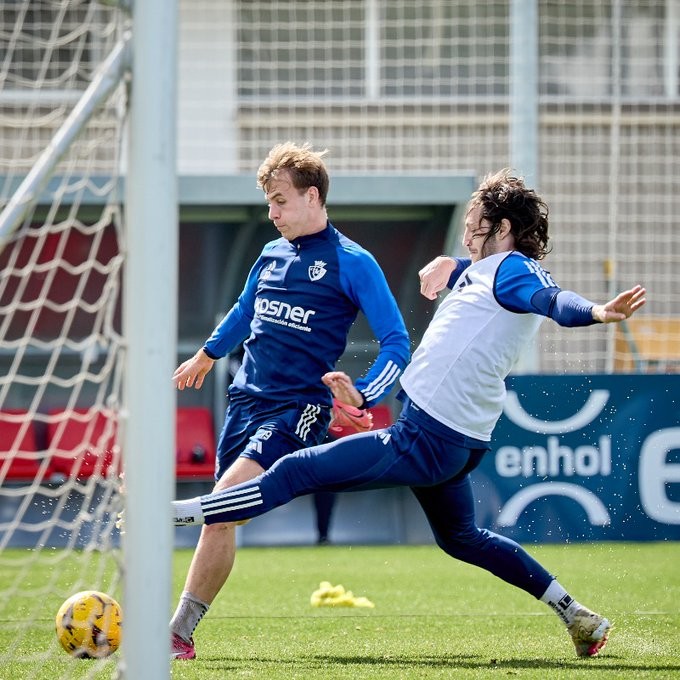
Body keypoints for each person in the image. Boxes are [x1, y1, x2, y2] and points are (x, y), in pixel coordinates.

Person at [172, 168, 647, 658]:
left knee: (297, 468)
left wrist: (594, 311)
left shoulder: (513, 270)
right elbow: (481, 278)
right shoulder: (489, 271)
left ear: (502, 229)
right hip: (454, 440)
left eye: (474, 224)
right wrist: (451, 263)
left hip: (426, 437)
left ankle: (175, 514)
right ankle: (575, 613)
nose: (466, 233)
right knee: (462, 539)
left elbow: (551, 300)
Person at [169, 142, 410, 659]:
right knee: (224, 517)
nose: (272, 213)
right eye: (269, 203)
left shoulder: (353, 263)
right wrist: (208, 355)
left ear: (312, 196)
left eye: (279, 200)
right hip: (244, 402)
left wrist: (364, 392)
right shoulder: (270, 253)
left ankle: (173, 628)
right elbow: (244, 308)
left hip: (296, 409)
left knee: (220, 505)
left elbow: (397, 342)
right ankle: (181, 633)